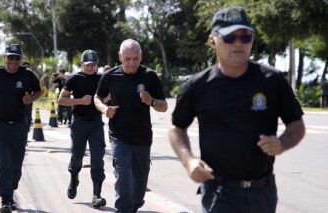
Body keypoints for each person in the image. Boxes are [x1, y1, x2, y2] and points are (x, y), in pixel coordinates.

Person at [168, 6, 305, 213]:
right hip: (219, 192)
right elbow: (176, 129)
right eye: (230, 37)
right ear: (212, 40)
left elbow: (296, 125)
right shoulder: (197, 86)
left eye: (245, 37)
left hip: (263, 192)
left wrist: (282, 143)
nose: (238, 43)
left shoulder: (273, 80)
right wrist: (189, 161)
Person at [94, 39, 168, 213]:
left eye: (135, 58)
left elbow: (164, 106)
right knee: (123, 175)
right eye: (127, 59)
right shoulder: (110, 76)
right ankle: (123, 209)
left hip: (142, 137)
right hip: (119, 135)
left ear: (141, 56)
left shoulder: (149, 76)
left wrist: (151, 101)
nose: (132, 63)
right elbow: (97, 98)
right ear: (120, 57)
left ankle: (134, 203)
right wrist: (105, 110)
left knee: (139, 189)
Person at [0, 44, 42, 213]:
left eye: (17, 58)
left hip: (19, 124)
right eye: (10, 57)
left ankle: (11, 189)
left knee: (16, 164)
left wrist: (31, 99)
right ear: (4, 57)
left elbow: (39, 91)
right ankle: (5, 200)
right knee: (4, 162)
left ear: (21, 59)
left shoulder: (27, 74)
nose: (13, 61)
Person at [58, 49, 107, 208]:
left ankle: (96, 195)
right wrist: (79, 101)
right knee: (77, 155)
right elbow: (61, 100)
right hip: (78, 123)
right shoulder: (74, 79)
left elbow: (110, 93)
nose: (90, 67)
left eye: (93, 64)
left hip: (96, 123)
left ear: (96, 65)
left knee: (98, 157)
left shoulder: (102, 78)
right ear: (82, 63)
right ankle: (74, 178)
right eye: (87, 64)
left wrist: (105, 99)